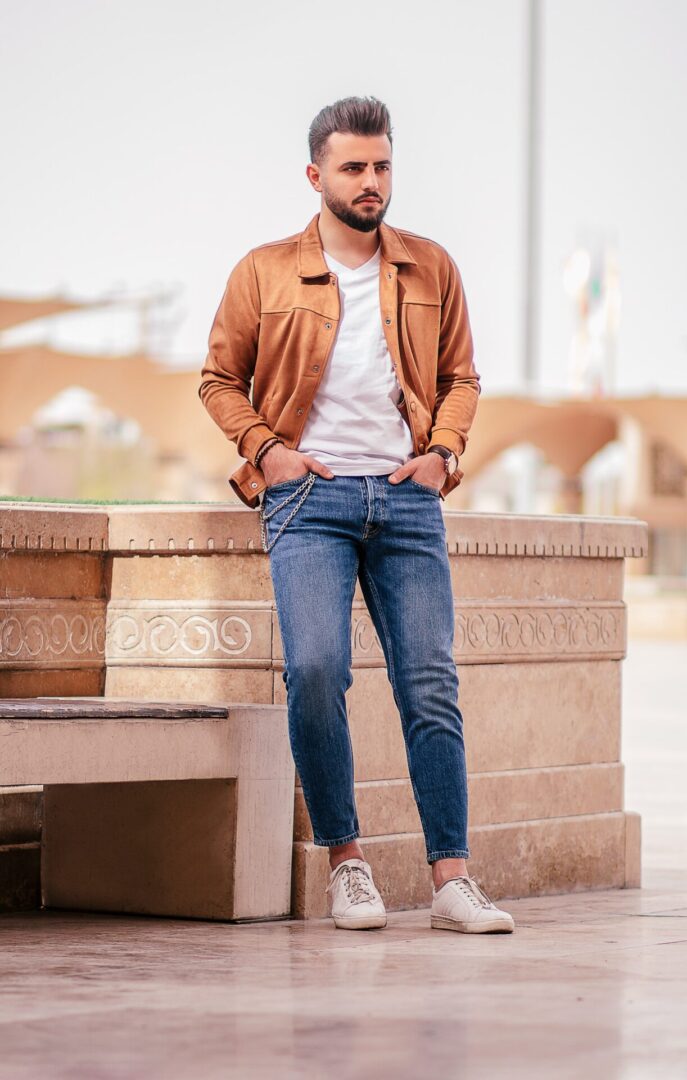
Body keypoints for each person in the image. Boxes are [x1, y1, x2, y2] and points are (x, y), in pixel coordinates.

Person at [199, 96, 514, 935]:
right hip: (309, 499)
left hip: (407, 499)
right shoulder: (264, 271)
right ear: (316, 176)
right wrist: (268, 450)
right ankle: (349, 865)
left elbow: (462, 377)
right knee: (313, 673)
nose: (370, 182)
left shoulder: (430, 267)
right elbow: (218, 379)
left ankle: (453, 879)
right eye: (352, 167)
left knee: (429, 687)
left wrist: (443, 455)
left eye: (380, 166)